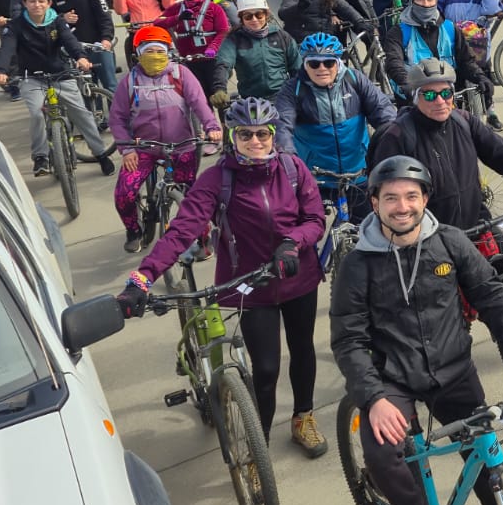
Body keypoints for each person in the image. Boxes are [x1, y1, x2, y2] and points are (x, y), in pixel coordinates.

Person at [328, 154, 503, 505]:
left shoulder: (450, 242)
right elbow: (348, 340)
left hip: (454, 369)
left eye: (412, 196)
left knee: (485, 452)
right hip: (394, 379)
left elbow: (491, 296)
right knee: (385, 452)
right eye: (391, 198)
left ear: (425, 198)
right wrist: (372, 397)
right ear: (374, 203)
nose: (403, 206)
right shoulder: (357, 265)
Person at [118, 97, 330, 458]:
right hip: (250, 283)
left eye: (263, 133)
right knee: (265, 370)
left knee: (302, 350)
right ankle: (258, 446)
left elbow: (314, 219)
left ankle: (303, 418)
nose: (255, 141)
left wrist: (293, 244)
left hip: (297, 276)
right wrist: (142, 277)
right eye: (245, 134)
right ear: (232, 136)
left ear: (273, 134)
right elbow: (182, 230)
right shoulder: (217, 178)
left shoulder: (293, 168)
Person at [370, 58, 503, 281]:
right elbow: (384, 198)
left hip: (476, 225)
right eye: (430, 95)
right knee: (451, 302)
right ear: (415, 97)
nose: (440, 101)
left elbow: (501, 153)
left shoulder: (464, 121)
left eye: (446, 93)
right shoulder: (397, 137)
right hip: (429, 237)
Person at [108, 26, 222, 252]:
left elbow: (199, 104)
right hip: (142, 149)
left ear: (168, 52)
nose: (154, 57)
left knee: (191, 197)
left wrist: (212, 127)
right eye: (148, 51)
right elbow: (117, 119)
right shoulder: (129, 82)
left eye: (159, 51)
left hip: (182, 146)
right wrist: (127, 149)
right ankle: (134, 230)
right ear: (138, 54)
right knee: (124, 194)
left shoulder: (181, 74)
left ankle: (201, 238)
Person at [0, 0, 116, 178]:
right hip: (31, 77)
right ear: (24, 3)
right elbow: (7, 49)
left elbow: (70, 41)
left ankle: (100, 154)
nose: (37, 5)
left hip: (60, 75)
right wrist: (1, 71)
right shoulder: (15, 25)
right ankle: (40, 157)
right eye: (31, 1)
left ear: (49, 3)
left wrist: (81, 57)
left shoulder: (57, 22)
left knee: (81, 114)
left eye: (41, 1)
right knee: (36, 114)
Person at [273, 32, 397, 216]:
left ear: (338, 62)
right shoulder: (292, 90)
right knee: (311, 231)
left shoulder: (354, 79)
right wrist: (288, 160)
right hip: (316, 177)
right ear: (304, 64)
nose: (321, 68)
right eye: (314, 63)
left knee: (365, 228)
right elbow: (282, 127)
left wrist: (395, 140)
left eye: (328, 62)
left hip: (358, 172)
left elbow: (382, 111)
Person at [381, 0, 489, 103]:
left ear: (436, 1)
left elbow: (466, 61)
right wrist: (408, 85)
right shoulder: (398, 32)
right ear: (411, 1)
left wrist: (480, 77)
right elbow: (394, 63)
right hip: (415, 96)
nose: (426, 4)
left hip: (448, 94)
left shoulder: (450, 28)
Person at [438, 0, 503, 130]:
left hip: (479, 46)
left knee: (485, 79)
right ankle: (458, 117)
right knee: (456, 81)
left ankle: (491, 113)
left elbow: (492, 9)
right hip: (453, 43)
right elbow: (438, 11)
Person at [44, 0, 118, 97]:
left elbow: (104, 13)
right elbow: (47, 18)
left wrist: (106, 39)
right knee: (87, 90)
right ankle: (97, 120)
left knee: (110, 87)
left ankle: (118, 120)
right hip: (74, 49)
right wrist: (61, 17)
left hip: (98, 45)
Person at [157, 0, 230, 100]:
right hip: (189, 61)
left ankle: (224, 121)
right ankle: (207, 121)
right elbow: (157, 23)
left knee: (219, 97)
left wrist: (213, 47)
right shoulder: (177, 8)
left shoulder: (214, 8)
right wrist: (177, 18)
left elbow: (223, 30)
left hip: (212, 60)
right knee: (200, 97)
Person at [217, 0, 300, 106]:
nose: (254, 19)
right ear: (241, 19)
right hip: (250, 101)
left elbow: (296, 67)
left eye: (259, 15)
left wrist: (301, 91)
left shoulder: (282, 36)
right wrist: (220, 89)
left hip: (282, 98)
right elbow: (223, 64)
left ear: (266, 15)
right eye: (248, 16)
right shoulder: (234, 39)